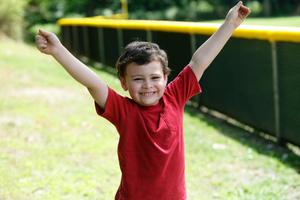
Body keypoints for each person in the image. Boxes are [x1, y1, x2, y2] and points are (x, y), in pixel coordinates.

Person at [35, 2, 250, 199]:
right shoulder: (123, 110)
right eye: (138, 79)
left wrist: (229, 24)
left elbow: (200, 61)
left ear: (166, 78)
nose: (148, 85)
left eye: (155, 77)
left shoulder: (175, 96)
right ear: (124, 83)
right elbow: (94, 83)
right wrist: (58, 50)